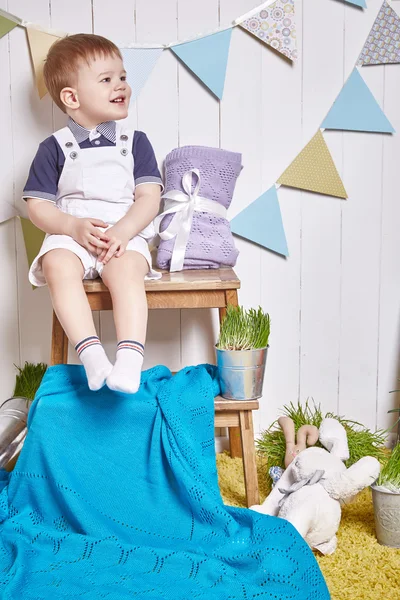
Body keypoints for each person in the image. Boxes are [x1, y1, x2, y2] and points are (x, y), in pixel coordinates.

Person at [23, 33, 164, 394]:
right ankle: (92, 356)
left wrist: (123, 232)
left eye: (123, 77)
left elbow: (149, 197)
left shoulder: (136, 142)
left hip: (123, 231)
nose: (121, 86)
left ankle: (130, 360)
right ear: (71, 97)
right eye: (106, 79)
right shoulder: (54, 147)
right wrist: (70, 226)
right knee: (56, 264)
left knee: (126, 273)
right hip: (72, 232)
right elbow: (38, 205)